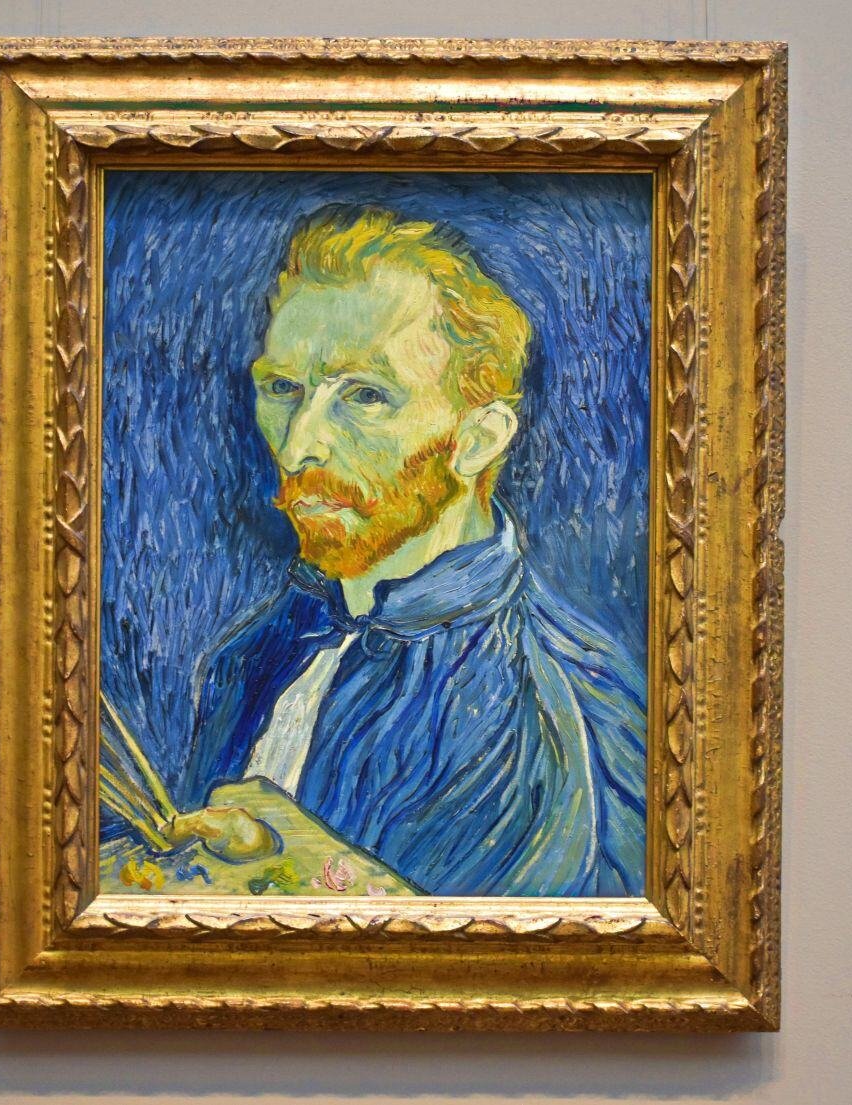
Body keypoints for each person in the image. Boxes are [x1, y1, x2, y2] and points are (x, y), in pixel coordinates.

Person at [175, 205, 647, 896]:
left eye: (366, 396)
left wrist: (316, 873)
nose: (300, 445)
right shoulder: (248, 658)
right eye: (283, 389)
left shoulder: (562, 717)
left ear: (477, 439)